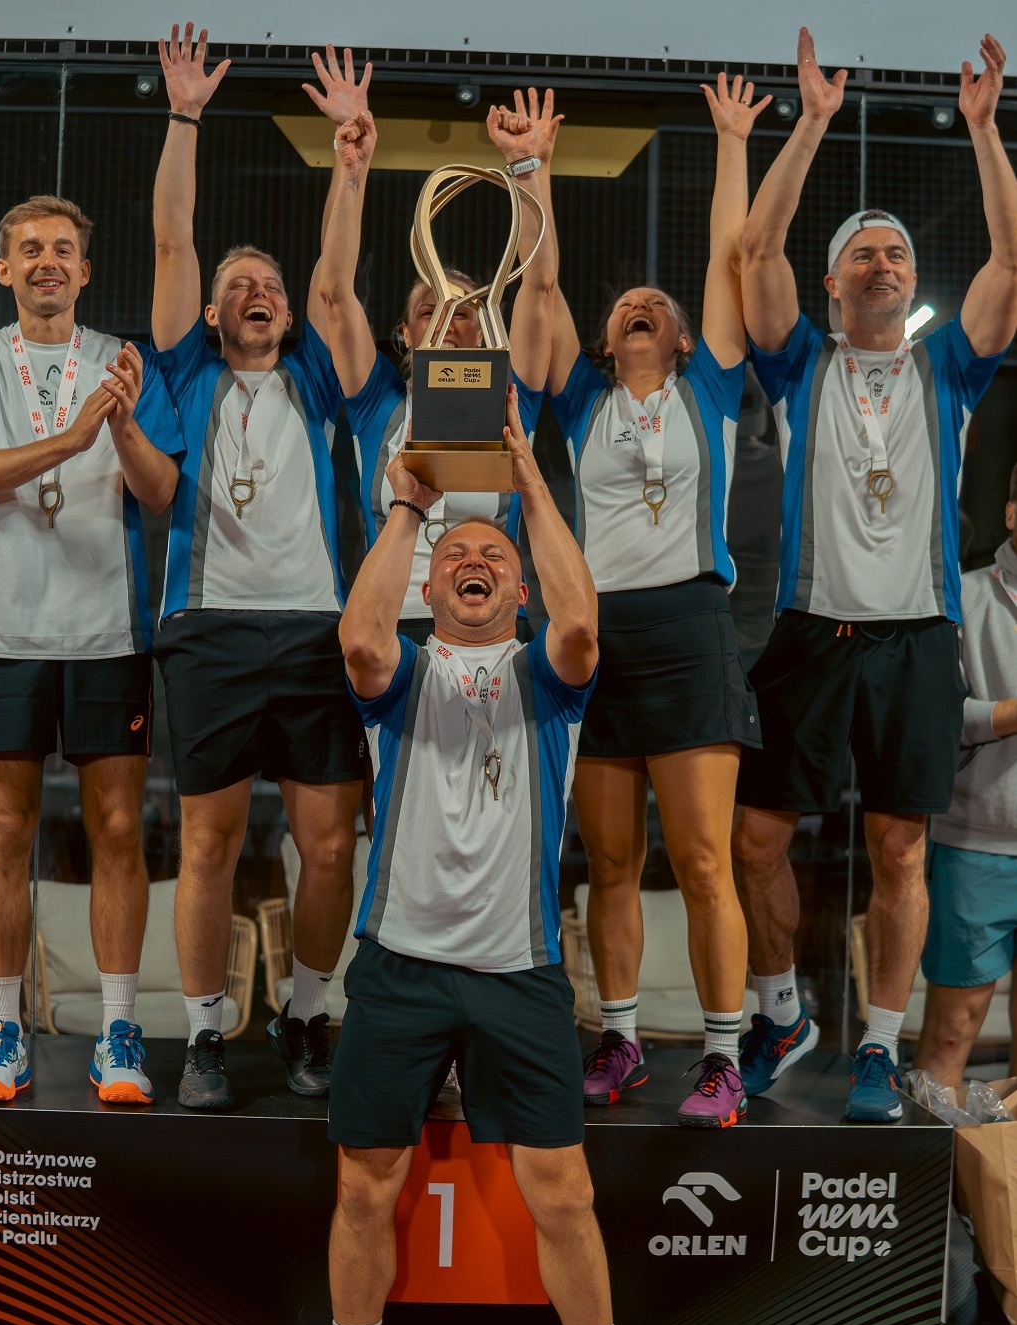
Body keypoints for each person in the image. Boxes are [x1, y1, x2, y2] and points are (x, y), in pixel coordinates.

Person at [282, 391, 686, 1325]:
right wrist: (410, 509)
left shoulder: (548, 678)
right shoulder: (402, 675)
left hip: (519, 973)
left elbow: (583, 622)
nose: (473, 562)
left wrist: (529, 481)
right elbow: (358, 638)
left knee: (563, 1190)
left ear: (517, 586)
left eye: (492, 555)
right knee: (365, 1183)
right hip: (400, 970)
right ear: (431, 584)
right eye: (455, 556)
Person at [732, 29, 1017, 1120]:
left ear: (911, 279)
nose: (884, 263)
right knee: (756, 839)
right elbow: (755, 253)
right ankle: (782, 1011)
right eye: (863, 253)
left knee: (899, 850)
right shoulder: (800, 361)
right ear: (834, 281)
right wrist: (810, 122)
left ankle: (879, 1052)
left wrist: (984, 131)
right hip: (810, 629)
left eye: (896, 253)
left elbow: (1010, 262)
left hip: (915, 638)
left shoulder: (947, 366)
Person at [518, 76, 767, 1125]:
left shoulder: (709, 388)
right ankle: (618, 1040)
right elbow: (540, 285)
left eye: (657, 307)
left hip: (691, 626)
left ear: (682, 337)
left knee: (703, 859)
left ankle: (721, 1058)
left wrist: (730, 142)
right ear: (608, 336)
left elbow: (729, 258)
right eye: (627, 305)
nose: (641, 305)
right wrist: (533, 171)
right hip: (598, 632)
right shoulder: (580, 400)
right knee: (610, 861)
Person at [152, 24, 373, 1109]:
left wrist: (351, 160)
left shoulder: (316, 378)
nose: (258, 290)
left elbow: (335, 281)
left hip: (316, 630)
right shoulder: (184, 370)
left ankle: (306, 1013)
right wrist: (185, 116)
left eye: (267, 283)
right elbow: (172, 241)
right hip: (209, 629)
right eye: (238, 282)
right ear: (211, 311)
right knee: (211, 841)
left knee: (328, 846)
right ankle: (203, 1033)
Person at [0, 194, 183, 1105]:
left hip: (109, 633)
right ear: (5, 269)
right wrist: (71, 438)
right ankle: (5, 1033)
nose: (47, 261)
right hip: (3, 634)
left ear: (84, 270)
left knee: (116, 830)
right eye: (30, 248)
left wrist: (122, 427)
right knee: (4, 832)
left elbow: (160, 492)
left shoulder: (125, 361)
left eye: (63, 249)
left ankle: (118, 1032)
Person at [311, 75, 550, 644]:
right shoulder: (377, 404)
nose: (447, 319)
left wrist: (526, 168)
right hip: (393, 624)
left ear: (485, 327)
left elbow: (540, 287)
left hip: (491, 627)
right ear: (405, 336)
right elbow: (334, 293)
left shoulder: (511, 397)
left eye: (463, 310)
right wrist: (352, 170)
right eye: (429, 309)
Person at [914, 465, 1017, 1085]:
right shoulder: (963, 598)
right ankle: (936, 1154)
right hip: (977, 845)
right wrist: (1010, 713)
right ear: (1011, 512)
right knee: (950, 1035)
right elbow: (933, 720)